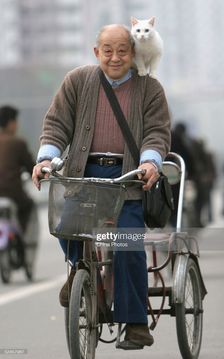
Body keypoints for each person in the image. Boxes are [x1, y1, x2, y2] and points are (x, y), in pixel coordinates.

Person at [32, 24, 171, 349]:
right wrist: (46, 159)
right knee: (66, 229)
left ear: (133, 53)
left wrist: (151, 161)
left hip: (129, 179)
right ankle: (79, 273)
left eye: (122, 50)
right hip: (85, 175)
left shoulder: (149, 88)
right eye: (107, 50)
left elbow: (158, 131)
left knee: (127, 245)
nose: (115, 57)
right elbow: (56, 124)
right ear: (97, 52)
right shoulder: (78, 81)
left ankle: (134, 323)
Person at [0, 105, 35, 233]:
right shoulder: (18, 143)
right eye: (15, 122)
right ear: (11, 123)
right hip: (12, 192)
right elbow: (31, 168)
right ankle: (20, 235)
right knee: (28, 204)